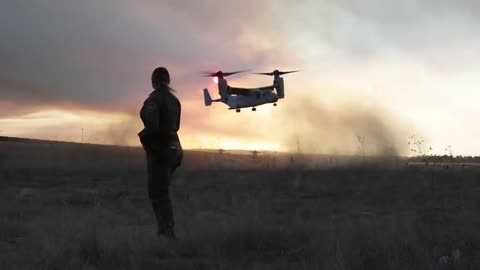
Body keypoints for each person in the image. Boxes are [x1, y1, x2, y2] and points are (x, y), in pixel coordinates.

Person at [138, 67, 183, 239]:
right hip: (175, 149)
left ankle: (166, 233)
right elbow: (176, 126)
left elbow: (151, 124)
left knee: (158, 193)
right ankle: (166, 231)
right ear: (168, 80)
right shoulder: (175, 100)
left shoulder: (154, 99)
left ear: (153, 81)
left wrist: (151, 142)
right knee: (163, 190)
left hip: (160, 150)